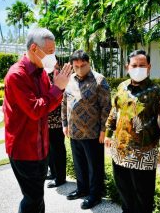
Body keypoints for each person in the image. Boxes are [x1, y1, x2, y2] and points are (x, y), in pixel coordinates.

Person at [3, 28, 72, 213]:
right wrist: (58, 89)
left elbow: (49, 103)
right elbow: (36, 110)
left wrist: (59, 88)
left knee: (37, 197)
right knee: (32, 198)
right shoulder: (17, 75)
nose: (53, 57)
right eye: (50, 52)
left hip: (41, 146)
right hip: (24, 149)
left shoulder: (41, 71)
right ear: (34, 48)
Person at [104, 50, 160, 213]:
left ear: (149, 67)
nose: (138, 68)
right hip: (120, 151)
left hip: (144, 154)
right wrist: (108, 133)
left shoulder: (157, 91)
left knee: (143, 196)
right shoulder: (122, 87)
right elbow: (115, 111)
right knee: (124, 192)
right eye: (134, 65)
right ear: (127, 67)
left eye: (142, 65)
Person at [62, 50, 111, 210]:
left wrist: (105, 130)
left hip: (93, 133)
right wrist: (65, 124)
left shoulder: (99, 80)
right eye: (76, 66)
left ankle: (95, 195)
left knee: (94, 166)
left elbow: (106, 107)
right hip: (74, 132)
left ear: (89, 63)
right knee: (79, 164)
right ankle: (82, 189)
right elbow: (64, 103)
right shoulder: (69, 81)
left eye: (83, 65)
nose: (80, 69)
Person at [46, 63, 67, 188]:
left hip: (57, 120)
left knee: (57, 149)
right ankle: (53, 172)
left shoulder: (57, 75)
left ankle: (60, 177)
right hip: (45, 120)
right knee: (49, 148)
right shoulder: (42, 74)